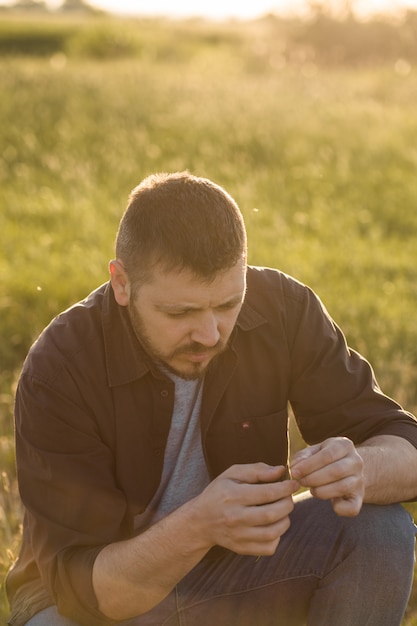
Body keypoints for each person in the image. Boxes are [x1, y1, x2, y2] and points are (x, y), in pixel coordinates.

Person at [6, 171, 417, 626]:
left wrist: (361, 468)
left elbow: (406, 449)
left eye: (227, 305)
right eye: (180, 312)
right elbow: (85, 591)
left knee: (381, 531)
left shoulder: (282, 307)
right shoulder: (61, 366)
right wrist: (198, 526)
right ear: (121, 283)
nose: (209, 333)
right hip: (89, 603)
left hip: (235, 576)